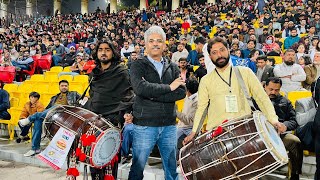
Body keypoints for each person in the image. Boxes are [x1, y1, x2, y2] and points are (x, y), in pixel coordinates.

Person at [184, 37, 286, 145]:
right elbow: (202, 108)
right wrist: (194, 132)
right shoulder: (205, 80)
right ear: (210, 56)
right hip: (217, 134)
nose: (219, 55)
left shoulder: (245, 72)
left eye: (222, 50)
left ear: (228, 51)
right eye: (214, 52)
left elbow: (262, 98)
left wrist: (273, 120)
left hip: (243, 131)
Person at [129, 26, 186, 180]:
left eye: (159, 41)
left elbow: (180, 92)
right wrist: (169, 87)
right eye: (151, 41)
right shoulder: (137, 64)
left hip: (169, 125)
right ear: (146, 44)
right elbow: (140, 89)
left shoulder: (173, 67)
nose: (155, 44)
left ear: (164, 44)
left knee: (172, 169)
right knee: (137, 167)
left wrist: (152, 94)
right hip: (145, 125)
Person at [84, 40, 134, 180]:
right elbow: (93, 96)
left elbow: (129, 95)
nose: (103, 52)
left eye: (107, 49)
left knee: (109, 164)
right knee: (93, 162)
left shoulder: (121, 71)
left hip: (112, 121)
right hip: (94, 121)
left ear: (113, 52)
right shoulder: (94, 73)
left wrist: (125, 113)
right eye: (100, 49)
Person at [18, 80, 80, 157]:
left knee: (57, 106)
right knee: (38, 121)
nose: (64, 87)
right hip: (53, 115)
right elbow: (47, 109)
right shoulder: (54, 98)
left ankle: (29, 119)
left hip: (65, 114)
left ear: (68, 87)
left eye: (66, 86)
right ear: (59, 87)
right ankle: (35, 148)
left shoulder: (74, 94)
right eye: (62, 86)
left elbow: (82, 102)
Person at [262, 77, 302, 180]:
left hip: (279, 136)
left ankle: (295, 175)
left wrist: (285, 125)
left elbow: (294, 120)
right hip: (260, 136)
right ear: (265, 86)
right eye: (271, 89)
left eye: (277, 90)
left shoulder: (285, 101)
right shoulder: (257, 100)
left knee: (295, 142)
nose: (273, 92)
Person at [176, 78, 198, 147]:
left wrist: (175, 112)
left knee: (195, 146)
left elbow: (189, 121)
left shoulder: (197, 101)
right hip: (181, 126)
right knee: (170, 141)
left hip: (191, 129)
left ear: (187, 90)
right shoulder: (187, 96)